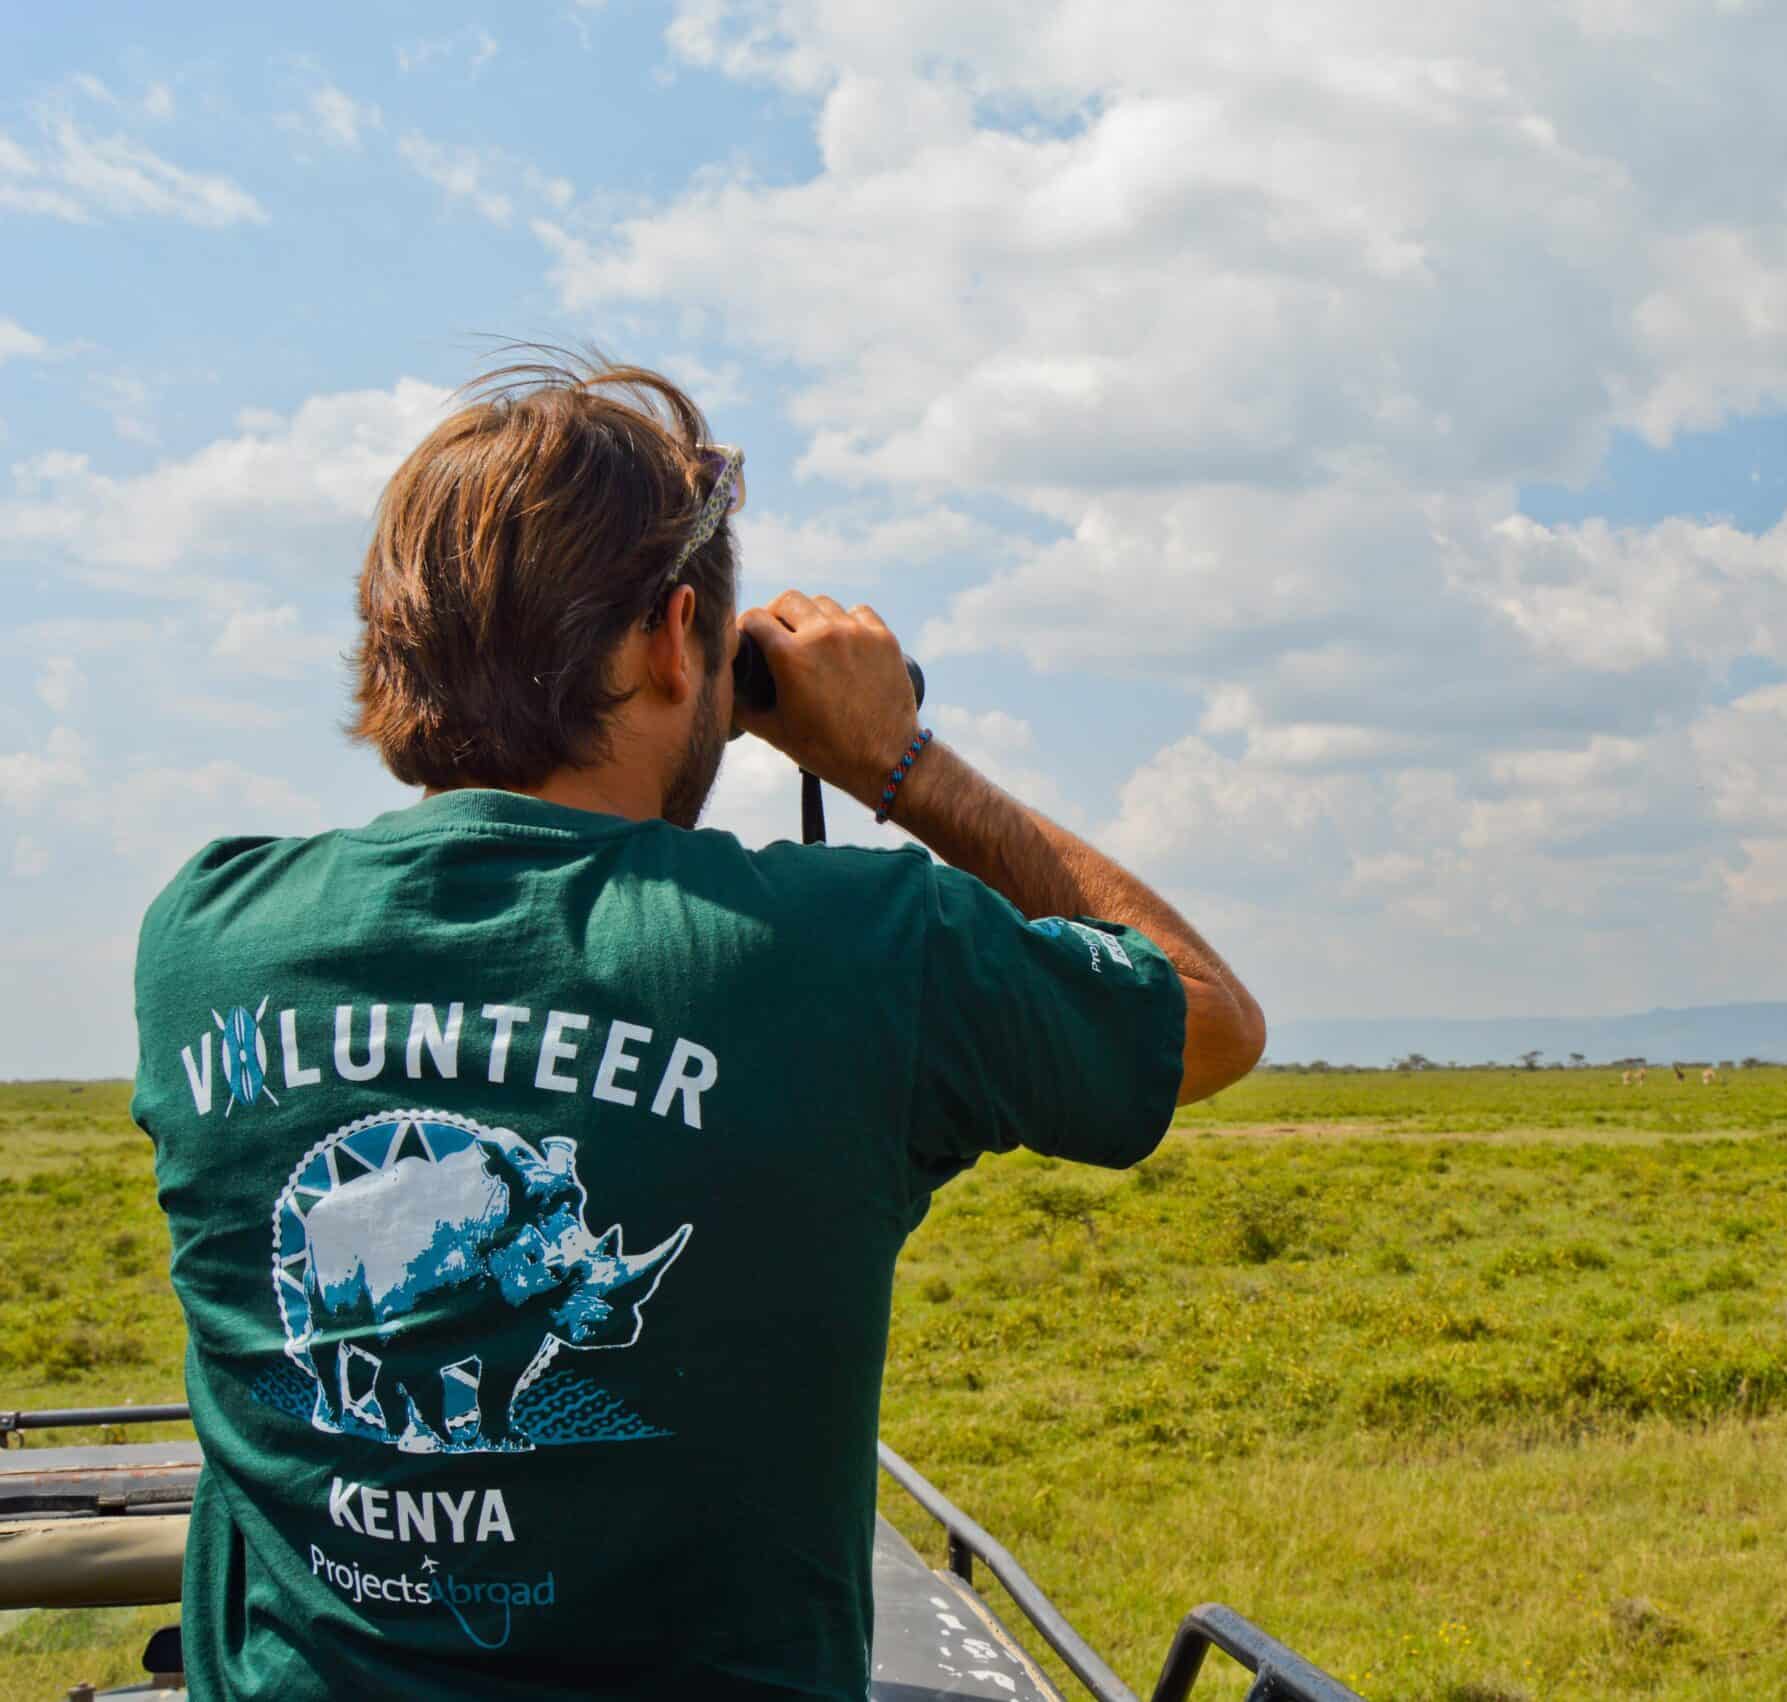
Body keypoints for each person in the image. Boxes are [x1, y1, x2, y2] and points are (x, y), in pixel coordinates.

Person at [127, 356, 1264, 1700]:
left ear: (394, 642)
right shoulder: (849, 947)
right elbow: (1206, 1017)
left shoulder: (206, 934)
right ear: (676, 639)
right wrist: (896, 764)